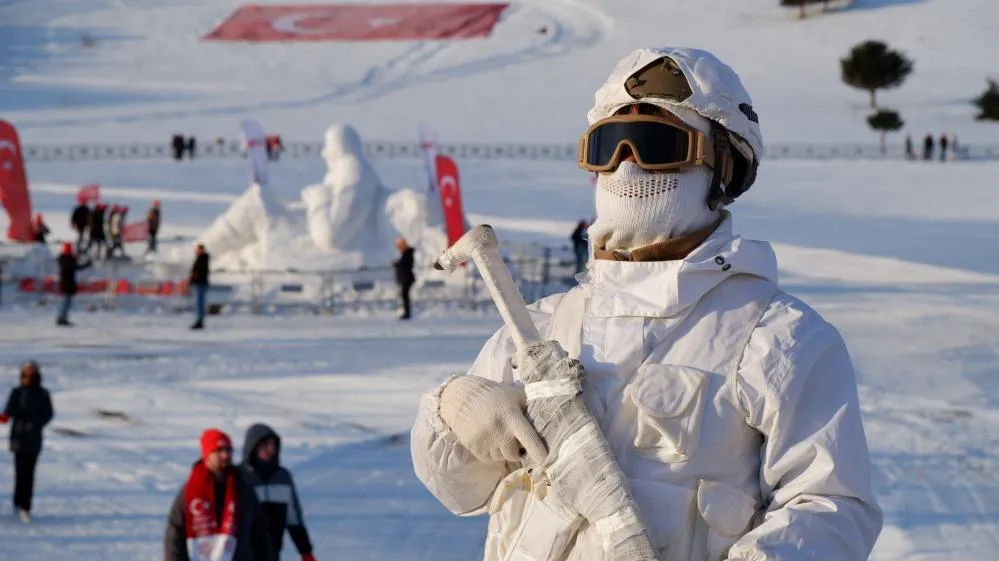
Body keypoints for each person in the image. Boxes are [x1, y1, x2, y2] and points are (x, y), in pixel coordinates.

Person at [410, 47, 882, 561]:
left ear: (723, 167)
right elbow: (460, 491)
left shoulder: (777, 338)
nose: (627, 166)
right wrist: (454, 411)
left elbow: (830, 506)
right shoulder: (540, 326)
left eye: (657, 143)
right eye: (608, 145)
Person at [164, 428, 275, 561]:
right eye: (219, 451)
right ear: (207, 455)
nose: (225, 455)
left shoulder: (243, 489)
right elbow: (174, 534)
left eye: (228, 450)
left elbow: (260, 533)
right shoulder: (190, 491)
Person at [239, 424, 316, 561]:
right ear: (253, 446)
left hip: (272, 553)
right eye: (265, 445)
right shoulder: (239, 476)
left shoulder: (283, 477)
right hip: (242, 553)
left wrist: (305, 551)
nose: (271, 449)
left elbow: (294, 519)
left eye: (273, 445)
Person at [1, 361, 54, 523]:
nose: (28, 376)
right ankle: (17, 502)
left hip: (34, 439)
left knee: (29, 473)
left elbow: (49, 413)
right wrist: (5, 417)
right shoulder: (17, 392)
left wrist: (37, 423)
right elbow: (8, 410)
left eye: (32, 372)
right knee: (20, 472)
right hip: (18, 438)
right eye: (26, 372)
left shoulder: (43, 393)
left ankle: (26, 506)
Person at [57, 242, 91, 326]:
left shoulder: (65, 259)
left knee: (66, 302)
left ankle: (63, 318)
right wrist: (87, 264)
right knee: (66, 302)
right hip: (67, 284)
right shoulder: (66, 259)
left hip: (67, 284)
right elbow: (75, 266)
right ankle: (62, 318)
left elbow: (74, 265)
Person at [392, 238, 415, 320]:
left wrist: (396, 264)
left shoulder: (407, 253)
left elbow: (404, 264)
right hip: (404, 278)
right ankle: (406, 312)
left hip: (406, 278)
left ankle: (407, 313)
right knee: (404, 296)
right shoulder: (406, 253)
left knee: (405, 296)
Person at [189, 243, 210, 330]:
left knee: (199, 303)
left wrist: (194, 279)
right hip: (199, 283)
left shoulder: (202, 259)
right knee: (199, 303)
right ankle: (199, 320)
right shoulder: (201, 259)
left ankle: (200, 321)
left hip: (200, 283)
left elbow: (199, 272)